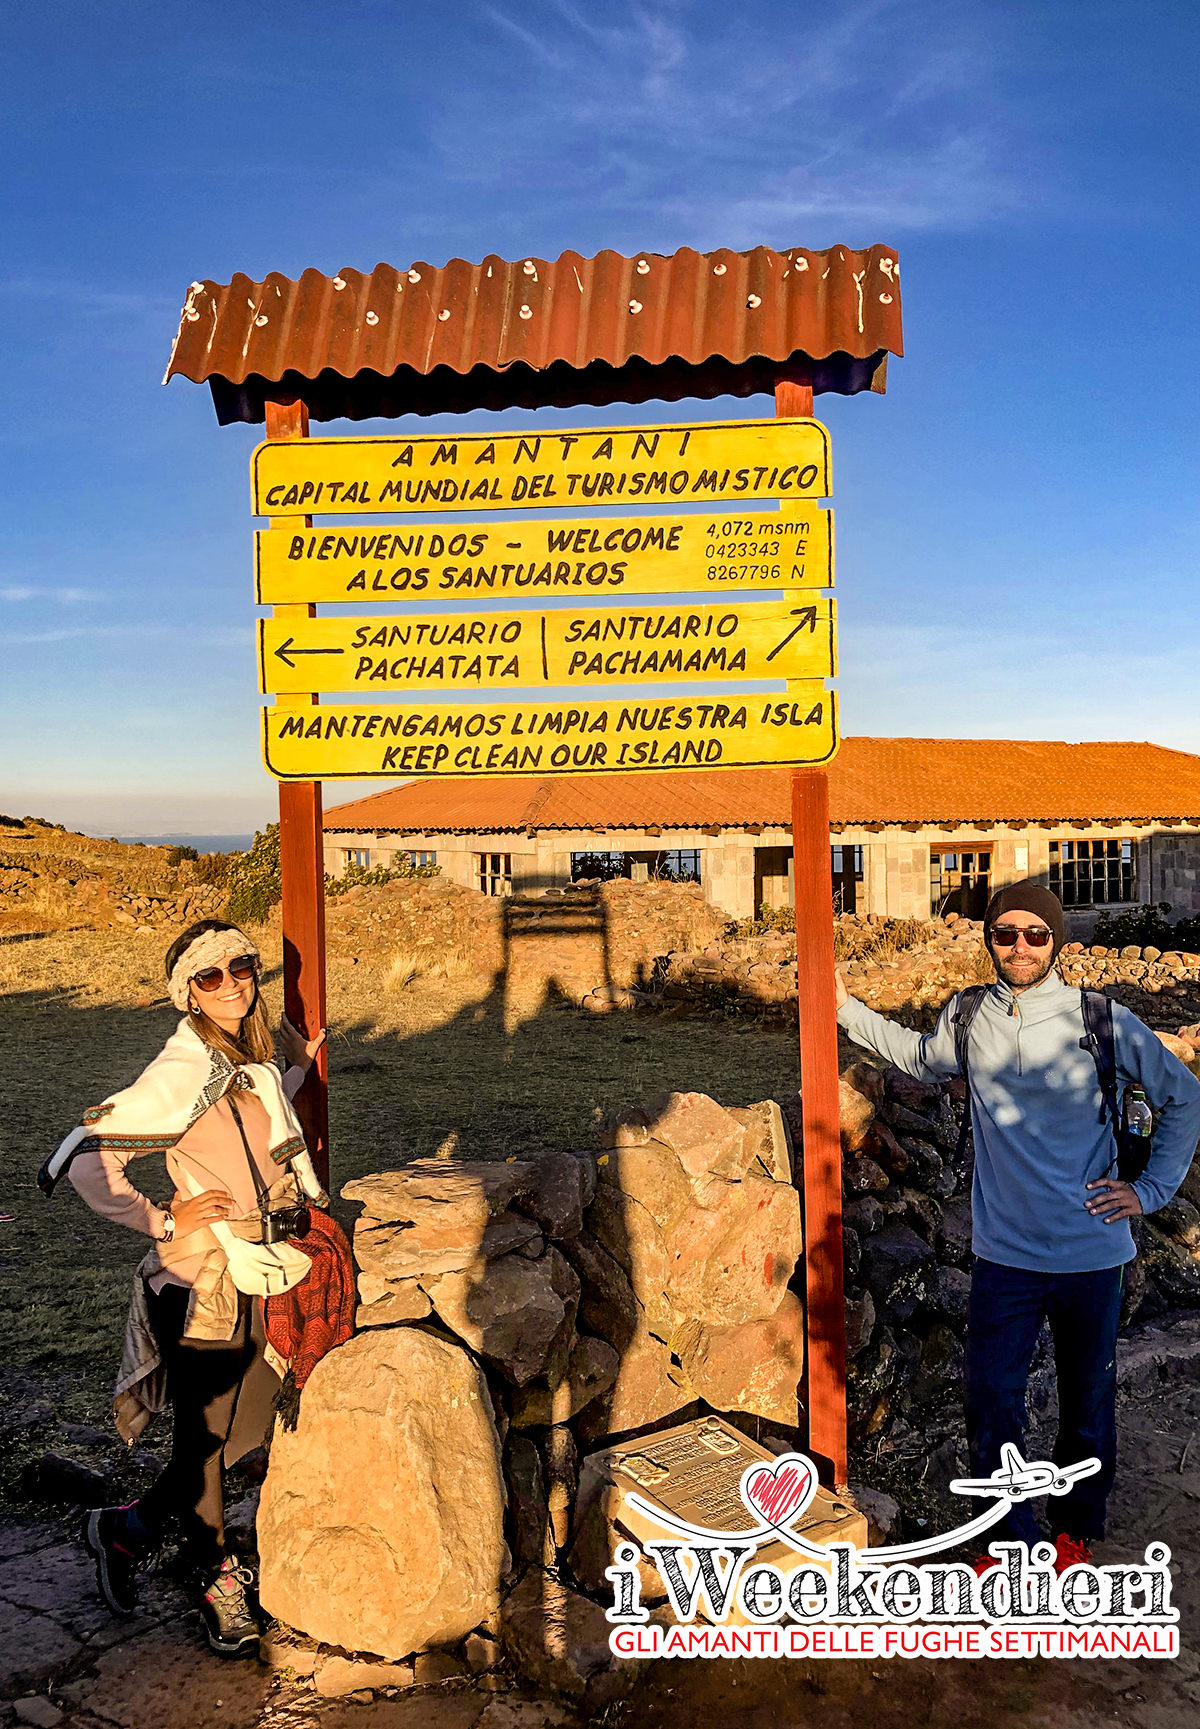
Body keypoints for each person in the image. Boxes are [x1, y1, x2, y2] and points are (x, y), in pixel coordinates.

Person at [834, 881, 1200, 1570]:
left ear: (1056, 940)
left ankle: (1074, 1528)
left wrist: (1149, 1191)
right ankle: (1006, 1537)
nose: (1021, 945)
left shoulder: (1103, 1019)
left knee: (1086, 1397)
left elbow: (1186, 1096)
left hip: (1092, 1251)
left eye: (1037, 933)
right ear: (989, 939)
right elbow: (917, 1056)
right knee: (993, 1396)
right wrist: (844, 1008)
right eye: (1006, 932)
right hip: (1006, 1253)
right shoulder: (970, 1017)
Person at [40, 918, 339, 1656]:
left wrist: (299, 1061)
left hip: (255, 1263)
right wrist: (161, 1216)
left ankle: (124, 1529)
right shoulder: (183, 1068)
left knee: (212, 1440)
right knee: (202, 1446)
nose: (232, 982)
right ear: (188, 994)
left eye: (241, 966)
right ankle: (215, 1581)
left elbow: (254, 1111)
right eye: (210, 976)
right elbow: (84, 1153)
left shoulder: (244, 1059)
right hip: (201, 1276)